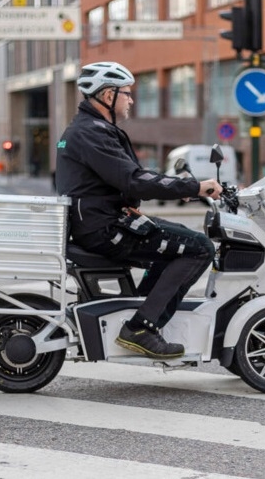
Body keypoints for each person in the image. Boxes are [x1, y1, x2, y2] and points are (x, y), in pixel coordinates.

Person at [55, 61, 223, 359]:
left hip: (102, 221)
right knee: (200, 247)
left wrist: (178, 188)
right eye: (127, 93)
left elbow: (127, 179)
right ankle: (141, 327)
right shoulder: (93, 132)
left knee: (179, 237)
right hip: (104, 229)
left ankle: (140, 310)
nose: (131, 100)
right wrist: (194, 187)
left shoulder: (91, 129)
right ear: (108, 96)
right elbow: (133, 180)